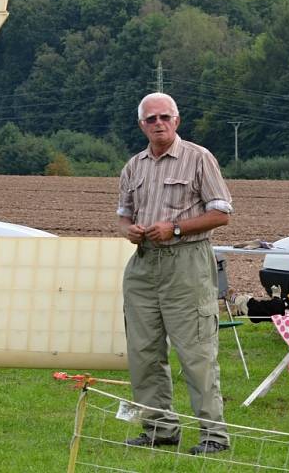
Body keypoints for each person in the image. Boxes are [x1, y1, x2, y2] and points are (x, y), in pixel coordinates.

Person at [118, 92, 233, 455]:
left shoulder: (199, 159)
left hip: (187, 262)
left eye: (164, 117)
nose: (158, 123)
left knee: (196, 353)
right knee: (144, 353)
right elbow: (123, 215)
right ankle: (159, 429)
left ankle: (214, 437)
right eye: (150, 119)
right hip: (143, 264)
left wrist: (177, 228)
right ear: (141, 125)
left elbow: (222, 213)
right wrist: (129, 230)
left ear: (177, 121)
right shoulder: (133, 166)